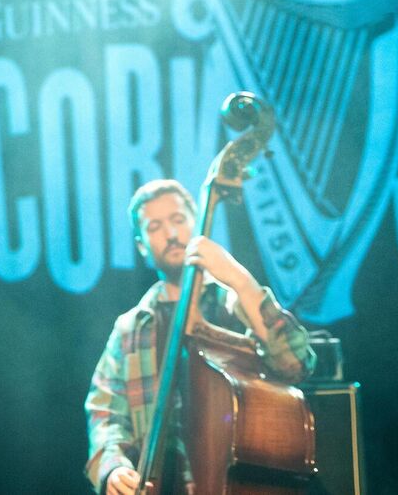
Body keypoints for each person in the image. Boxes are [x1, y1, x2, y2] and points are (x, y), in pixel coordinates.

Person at [84, 179, 316, 495]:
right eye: (155, 227)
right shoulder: (130, 329)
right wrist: (113, 467)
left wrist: (239, 278)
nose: (171, 234)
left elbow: (296, 364)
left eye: (179, 220)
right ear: (142, 246)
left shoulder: (232, 304)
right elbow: (105, 412)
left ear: (197, 226)